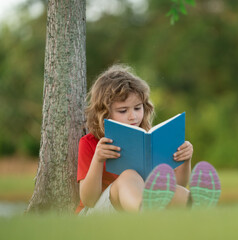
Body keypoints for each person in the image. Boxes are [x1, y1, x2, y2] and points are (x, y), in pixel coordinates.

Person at [76, 64, 221, 215]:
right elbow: (89, 201)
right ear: (104, 113)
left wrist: (185, 160)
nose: (133, 116)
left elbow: (178, 183)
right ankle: (145, 211)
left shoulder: (147, 140)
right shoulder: (91, 143)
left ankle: (201, 211)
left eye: (137, 108)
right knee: (129, 175)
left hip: (139, 204)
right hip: (97, 214)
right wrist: (98, 159)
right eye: (123, 111)